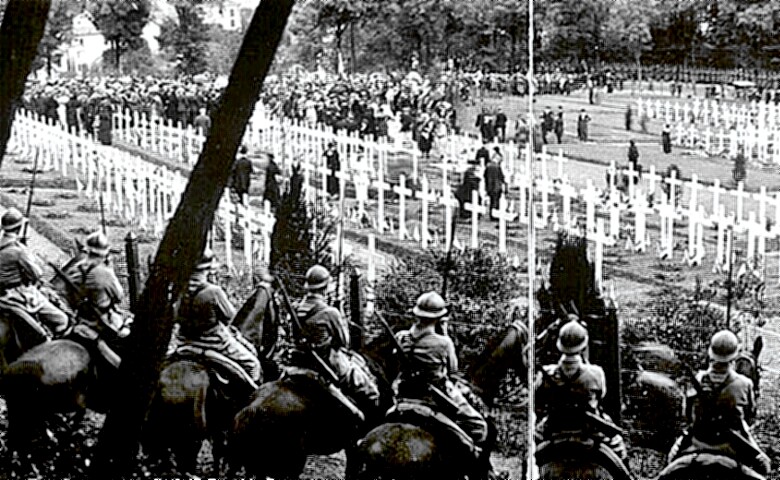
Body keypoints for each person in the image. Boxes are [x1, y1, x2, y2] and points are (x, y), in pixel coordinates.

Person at [394, 291, 493, 477]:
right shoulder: (444, 343)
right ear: (440, 318)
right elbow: (453, 373)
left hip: (403, 397)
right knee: (479, 426)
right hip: (434, 398)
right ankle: (470, 472)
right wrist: (445, 332)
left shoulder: (401, 337)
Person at [668, 330, 770, 474]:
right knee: (765, 466)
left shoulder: (697, 379)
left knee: (671, 461)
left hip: (697, 442)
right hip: (733, 446)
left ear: (711, 353)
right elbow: (749, 418)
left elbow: (687, 415)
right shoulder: (745, 384)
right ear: (735, 355)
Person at [292, 265, 380, 414]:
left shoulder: (296, 307)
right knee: (369, 389)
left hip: (299, 359)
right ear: (325, 287)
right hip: (325, 363)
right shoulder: (330, 312)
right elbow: (344, 342)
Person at [535, 319, 627, 460]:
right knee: (618, 446)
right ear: (583, 345)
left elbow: (539, 398)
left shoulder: (546, 373)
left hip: (554, 428)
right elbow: (601, 395)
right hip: (589, 430)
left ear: (560, 345)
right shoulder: (596, 373)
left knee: (529, 452)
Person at [174, 249, 261, 390]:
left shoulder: (180, 289)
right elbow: (230, 317)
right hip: (214, 343)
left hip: (184, 342)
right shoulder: (213, 292)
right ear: (208, 269)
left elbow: (175, 316)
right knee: (252, 364)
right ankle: (250, 401)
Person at [0, 208, 70, 338]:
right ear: (19, 228)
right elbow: (37, 274)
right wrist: (26, 251)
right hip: (18, 295)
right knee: (62, 319)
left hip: (1, 293)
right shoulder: (18, 251)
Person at [66, 231, 130, 369]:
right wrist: (110, 270)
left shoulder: (74, 270)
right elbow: (119, 297)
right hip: (103, 323)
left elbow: (69, 298)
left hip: (81, 319)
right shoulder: (105, 272)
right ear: (105, 253)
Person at [484, 151, 505, 221]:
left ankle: (492, 215)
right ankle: (495, 216)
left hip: (490, 186)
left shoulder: (488, 166)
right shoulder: (497, 167)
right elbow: (501, 177)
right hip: (496, 186)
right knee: (496, 202)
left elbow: (485, 176)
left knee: (492, 201)